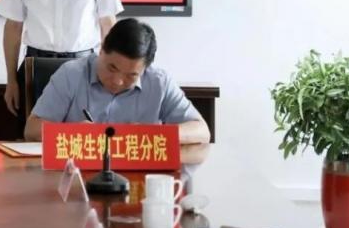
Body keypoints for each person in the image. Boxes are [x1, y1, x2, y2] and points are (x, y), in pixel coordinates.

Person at [24, 18, 210, 163]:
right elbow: (31, 129)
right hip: (77, 177)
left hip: (138, 180)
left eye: (131, 75)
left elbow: (201, 131)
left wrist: (154, 134)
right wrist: (71, 133)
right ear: (101, 50)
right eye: (111, 68)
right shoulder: (70, 74)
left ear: (145, 69)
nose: (118, 81)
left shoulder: (159, 82)